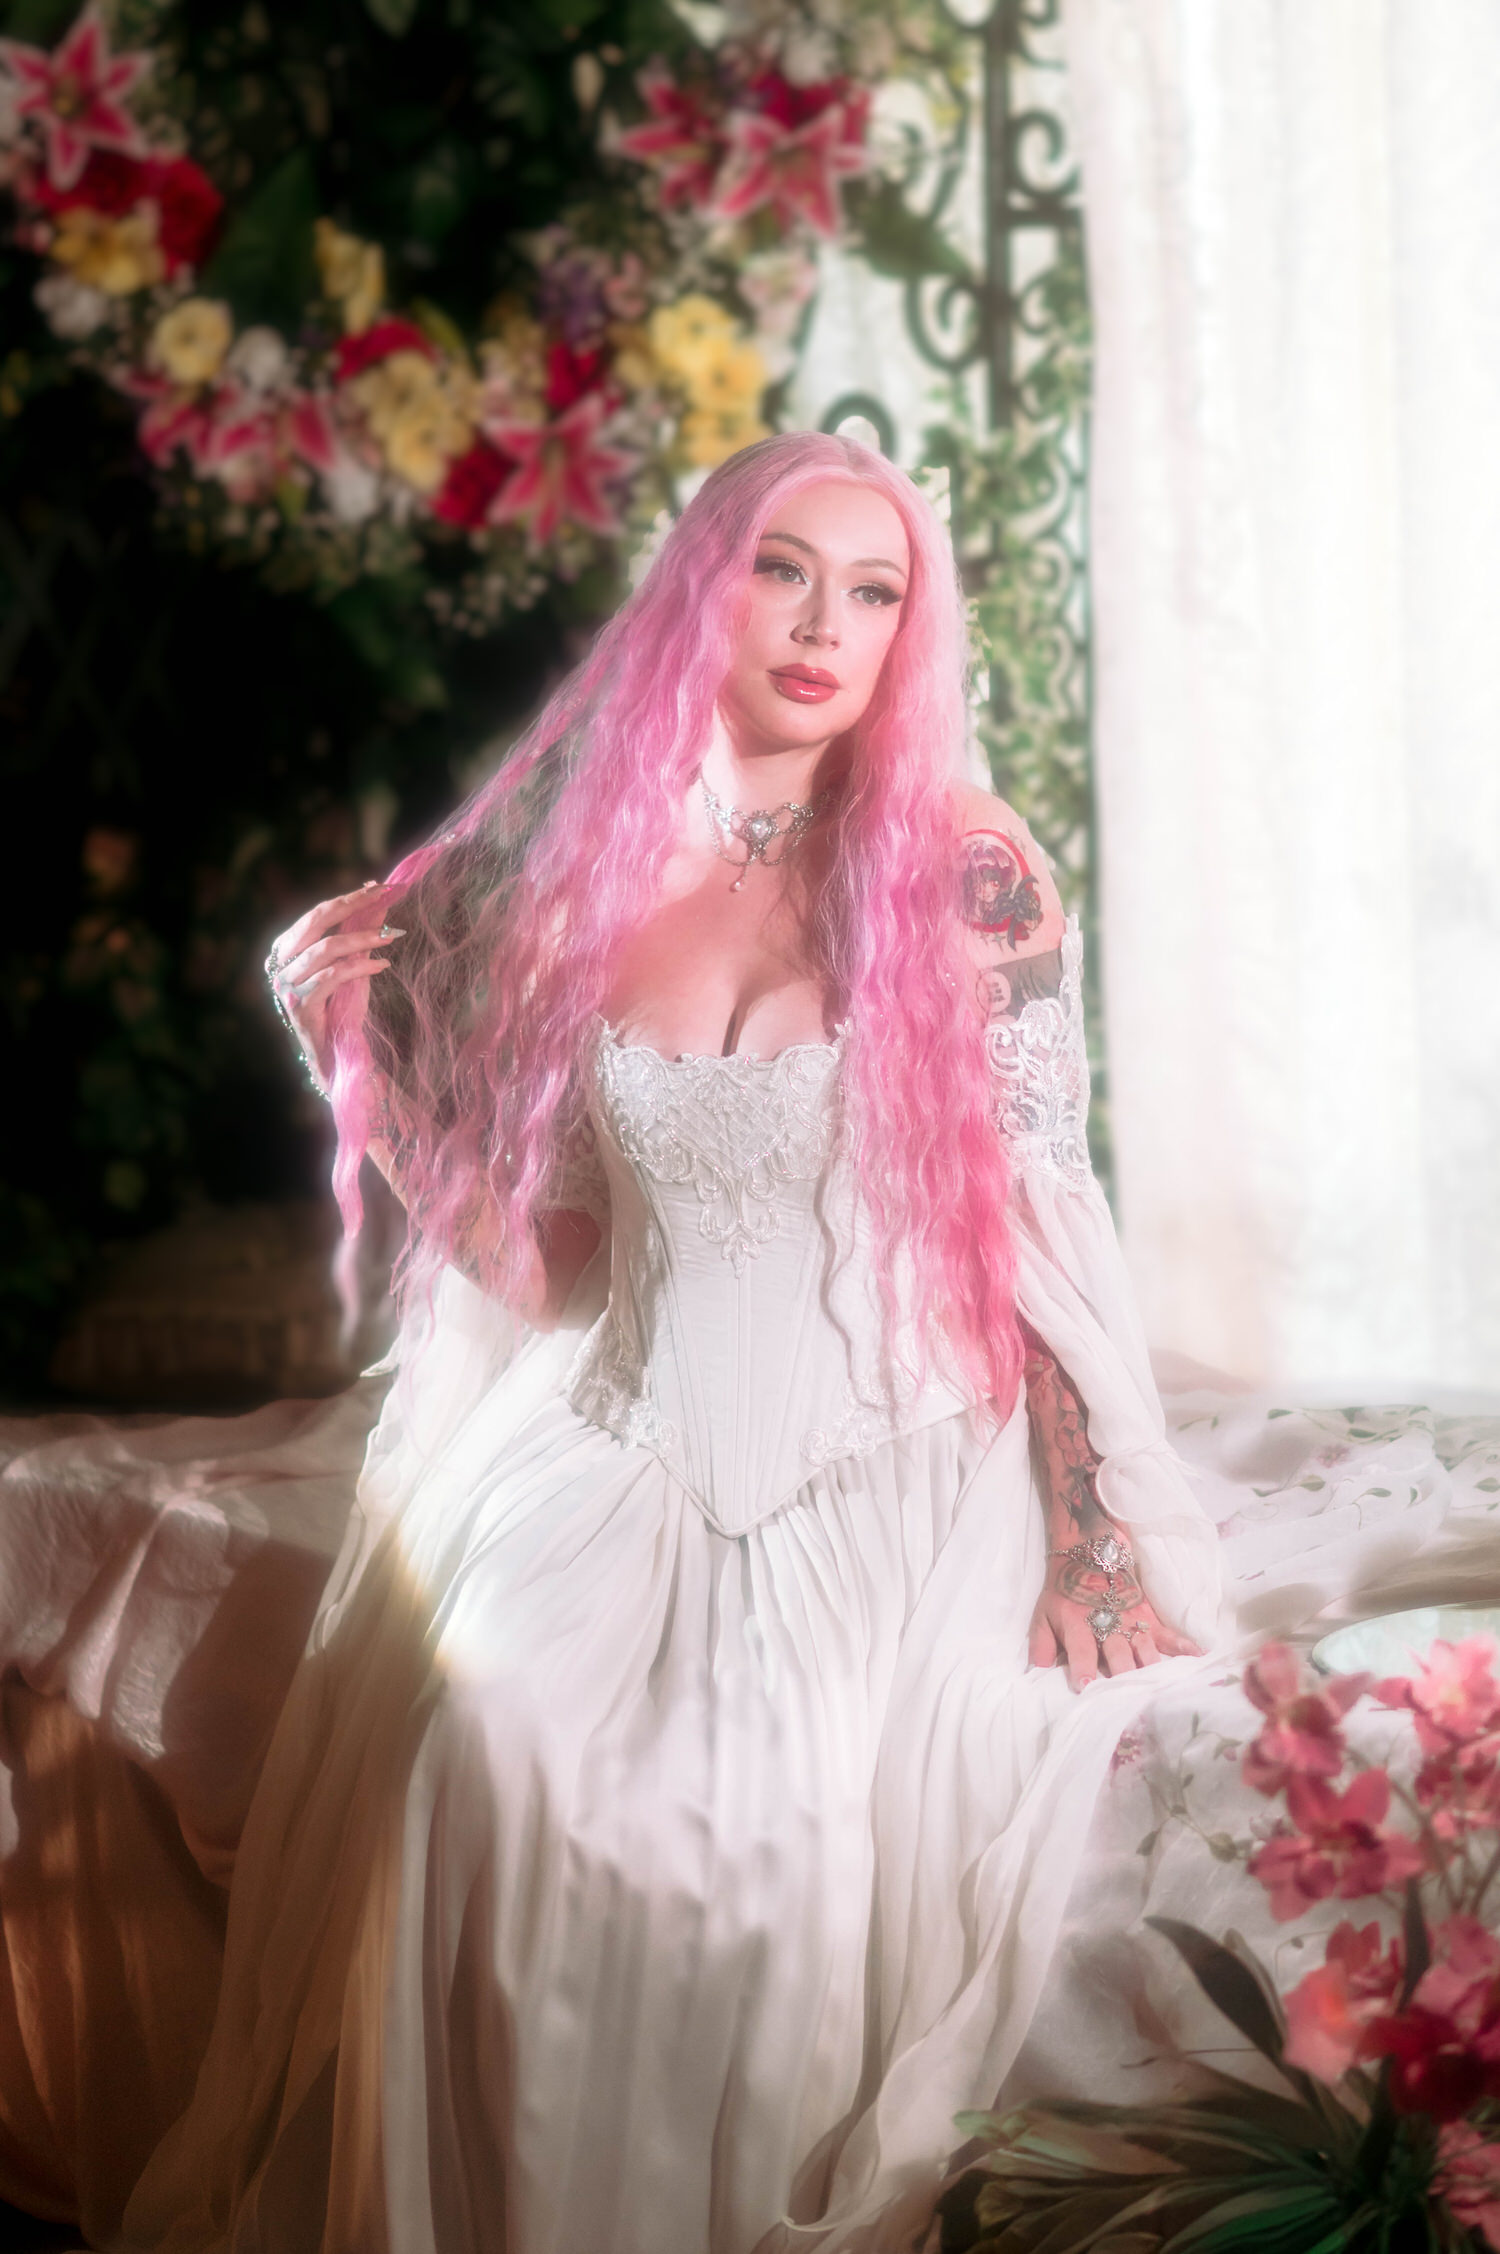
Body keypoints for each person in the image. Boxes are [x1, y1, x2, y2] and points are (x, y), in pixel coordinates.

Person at [1, 432, 1459, 2254]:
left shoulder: (967, 872)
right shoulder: (573, 893)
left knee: (771, 1829)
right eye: (786, 568)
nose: (825, 623)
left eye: (876, 591)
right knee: (497, 1735)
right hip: (614, 1436)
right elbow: (543, 1274)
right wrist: (356, 1076)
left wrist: (1090, 1531)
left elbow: (1044, 1222)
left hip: (901, 1444)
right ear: (704, 584)